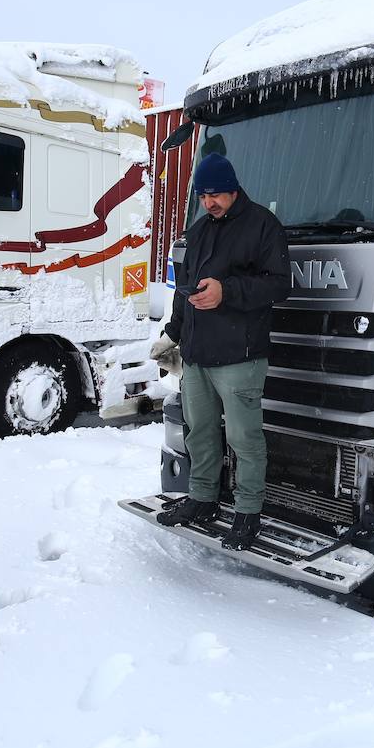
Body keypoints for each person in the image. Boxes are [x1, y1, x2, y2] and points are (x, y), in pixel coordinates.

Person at [149, 152, 289, 550]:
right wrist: (172, 335)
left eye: (216, 194)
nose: (210, 202)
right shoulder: (197, 232)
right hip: (196, 355)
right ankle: (202, 499)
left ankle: (247, 513)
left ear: (233, 189)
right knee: (201, 434)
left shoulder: (263, 225)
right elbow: (184, 289)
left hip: (239, 356)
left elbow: (280, 284)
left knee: (245, 440)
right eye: (203, 195)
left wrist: (227, 292)